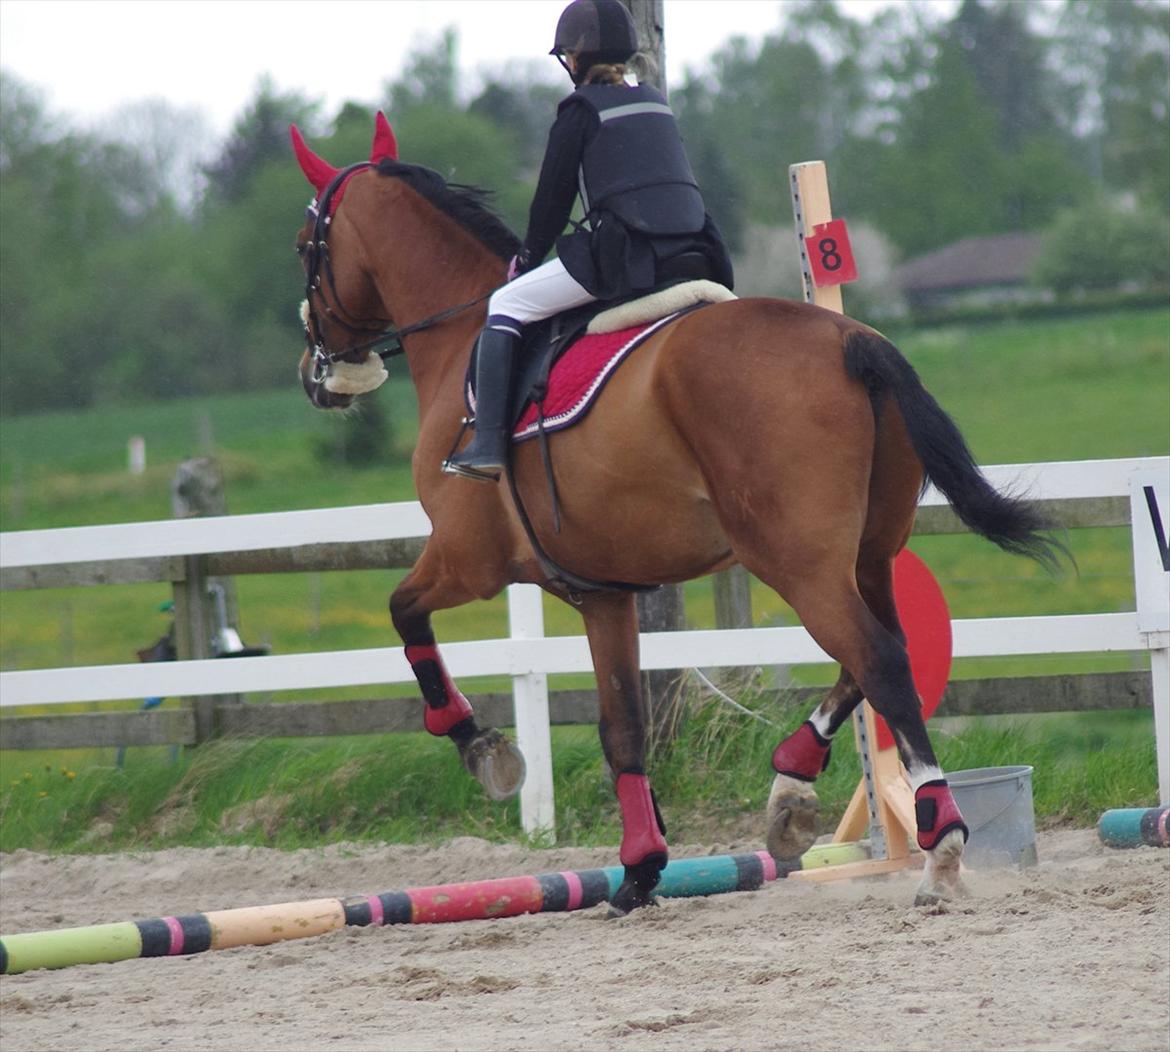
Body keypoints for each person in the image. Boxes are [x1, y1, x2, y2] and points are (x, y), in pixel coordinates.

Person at [442, 0, 735, 482]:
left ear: (574, 59)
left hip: (631, 257)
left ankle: (488, 443)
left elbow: (552, 203)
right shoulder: (657, 103)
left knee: (507, 305)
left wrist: (527, 259)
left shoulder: (579, 111)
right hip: (698, 251)